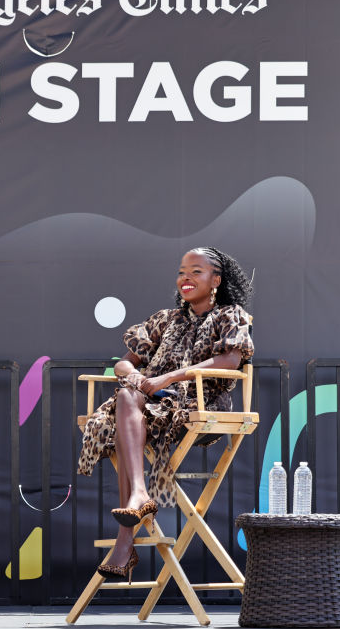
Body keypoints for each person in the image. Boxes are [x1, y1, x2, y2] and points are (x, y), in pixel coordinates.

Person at [77, 247, 254, 580]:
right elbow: (124, 361)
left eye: (196, 272)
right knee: (127, 399)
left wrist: (170, 377)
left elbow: (230, 362)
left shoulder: (231, 314)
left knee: (126, 413)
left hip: (199, 404)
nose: (185, 278)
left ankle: (125, 539)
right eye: (181, 272)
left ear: (216, 279)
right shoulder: (165, 319)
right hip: (151, 402)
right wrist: (134, 376)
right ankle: (139, 497)